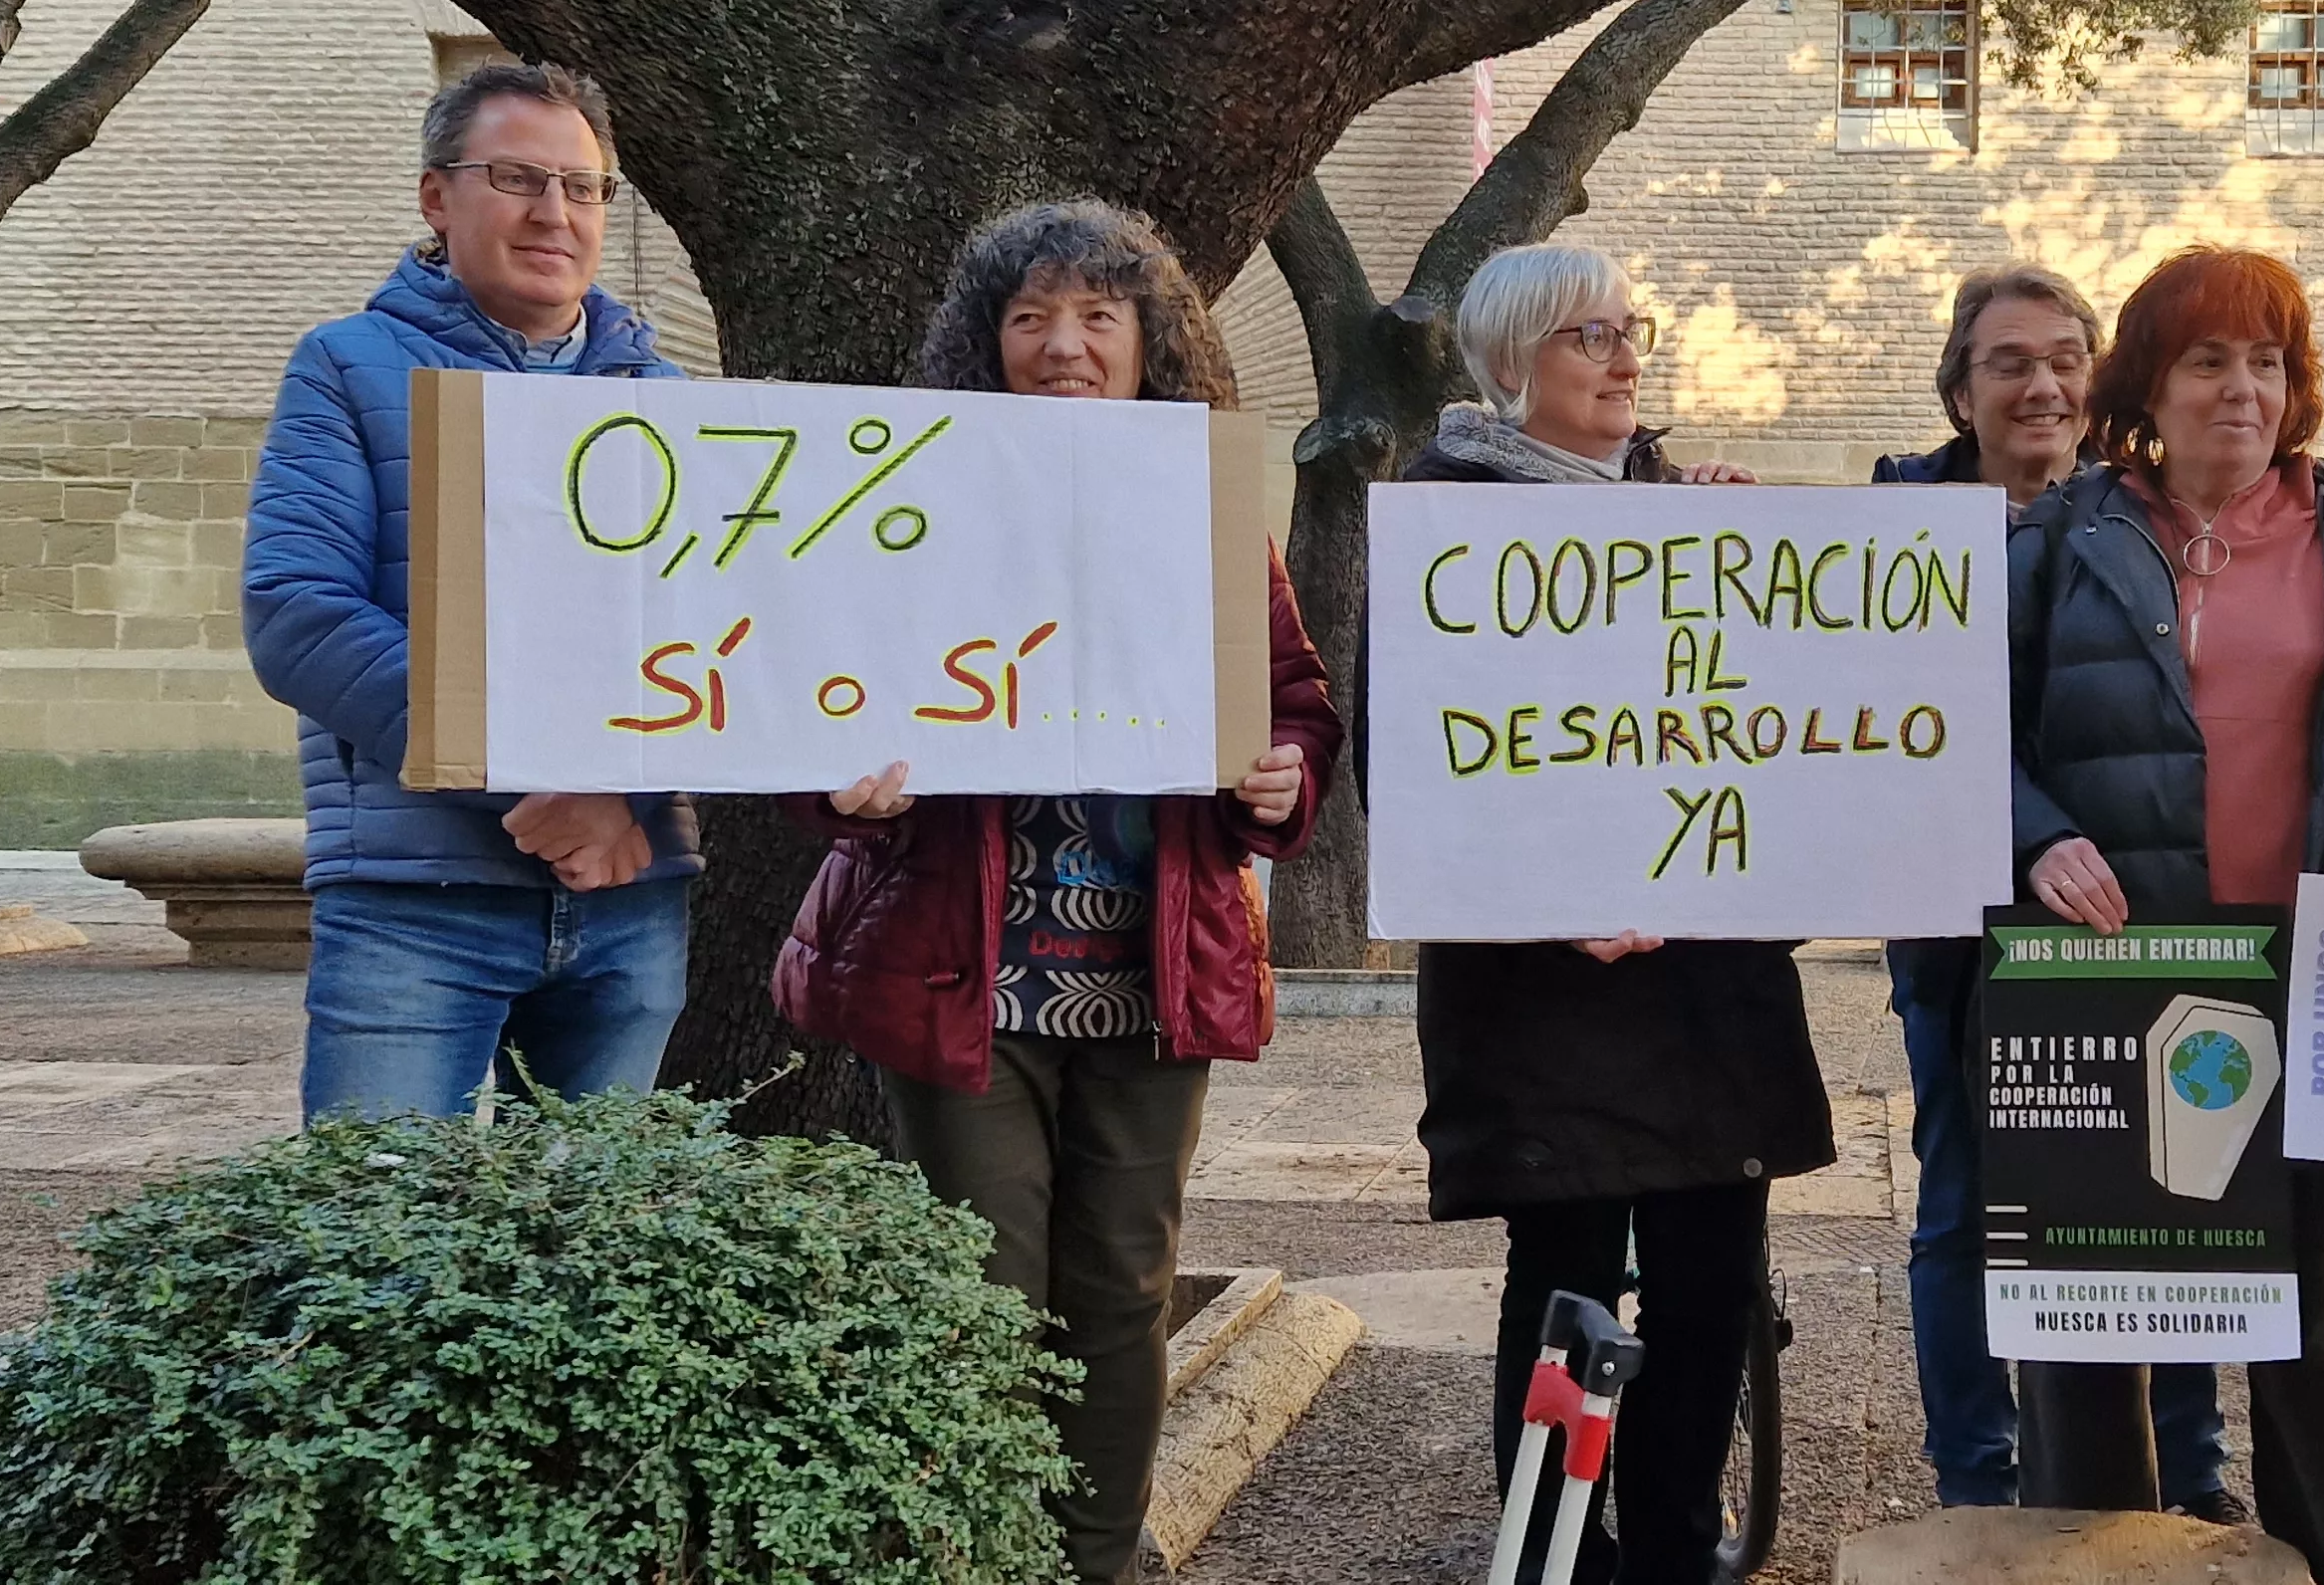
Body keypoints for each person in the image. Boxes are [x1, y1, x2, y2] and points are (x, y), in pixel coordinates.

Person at [771, 200, 1341, 1585]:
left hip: (1155, 973)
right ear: (987, 344)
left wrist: (1281, 778)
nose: (1064, 347)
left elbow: (1297, 708)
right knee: (984, 1297)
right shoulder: (904, 511)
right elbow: (805, 705)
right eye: (1030, 318)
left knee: (1124, 1288)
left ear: (1154, 344)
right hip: (959, 965)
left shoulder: (1210, 519)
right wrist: (838, 779)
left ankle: (1099, 1562)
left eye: (1099, 316)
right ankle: (995, 1558)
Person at [2008, 245, 2324, 1584]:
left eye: (2267, 361)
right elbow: (1965, 742)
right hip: (2105, 980)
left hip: (2312, 984)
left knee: (2316, 1331)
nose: (2242, 390)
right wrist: (2034, 835)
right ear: (2149, 388)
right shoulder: (2056, 538)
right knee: (2094, 1332)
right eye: (2207, 361)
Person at [1401, 243, 1834, 1585]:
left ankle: (1672, 1542)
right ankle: (1549, 1550)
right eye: (1592, 337)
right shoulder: (1446, 525)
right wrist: (1549, 905)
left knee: (1711, 1279)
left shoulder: (1680, 512)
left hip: (1702, 985)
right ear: (1514, 363)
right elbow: (1426, 762)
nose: (1627, 358)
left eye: (1629, 331)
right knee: (1567, 1274)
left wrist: (1746, 560)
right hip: (1549, 993)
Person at [245, 61, 701, 1122]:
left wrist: (621, 797)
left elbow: (719, 640)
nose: (555, 213)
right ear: (436, 197)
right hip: (417, 900)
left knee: (595, 1254)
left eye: (582, 188)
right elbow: (299, 615)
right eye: (516, 177)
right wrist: (544, 780)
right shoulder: (347, 367)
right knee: (380, 1245)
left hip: (631, 898)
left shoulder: (670, 402)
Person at [1872, 265, 2240, 1519]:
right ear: (1959, 390)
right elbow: (1903, 726)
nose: (2042, 385)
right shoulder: (1892, 533)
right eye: (2008, 362)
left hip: (2127, 924)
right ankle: (1976, 1481)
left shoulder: (2149, 510)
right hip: (1964, 937)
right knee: (1966, 1207)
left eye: (2065, 357)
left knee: (2172, 1193)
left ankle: (2185, 1472)